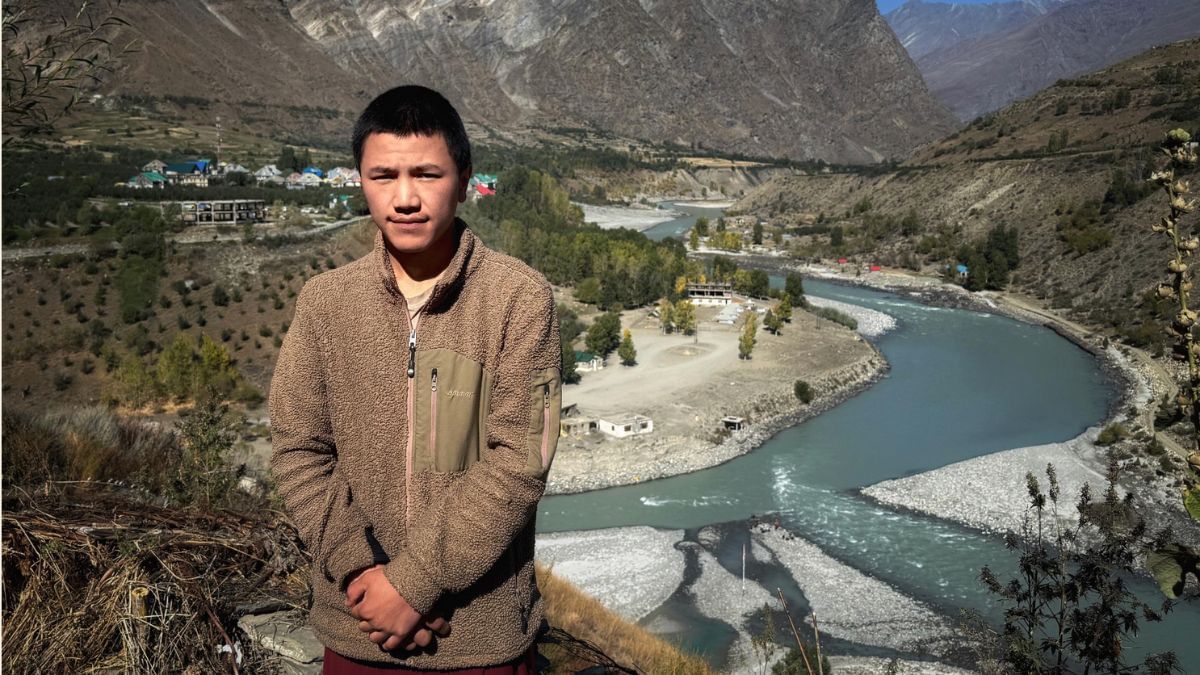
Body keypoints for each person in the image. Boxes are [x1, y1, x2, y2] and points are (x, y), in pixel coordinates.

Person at [270, 84, 561, 673]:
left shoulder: (520, 299)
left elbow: (522, 459)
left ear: (465, 178)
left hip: (481, 638)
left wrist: (415, 583)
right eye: (383, 176)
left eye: (426, 174)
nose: (404, 198)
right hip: (358, 629)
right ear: (359, 179)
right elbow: (298, 446)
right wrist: (363, 575)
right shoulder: (325, 303)